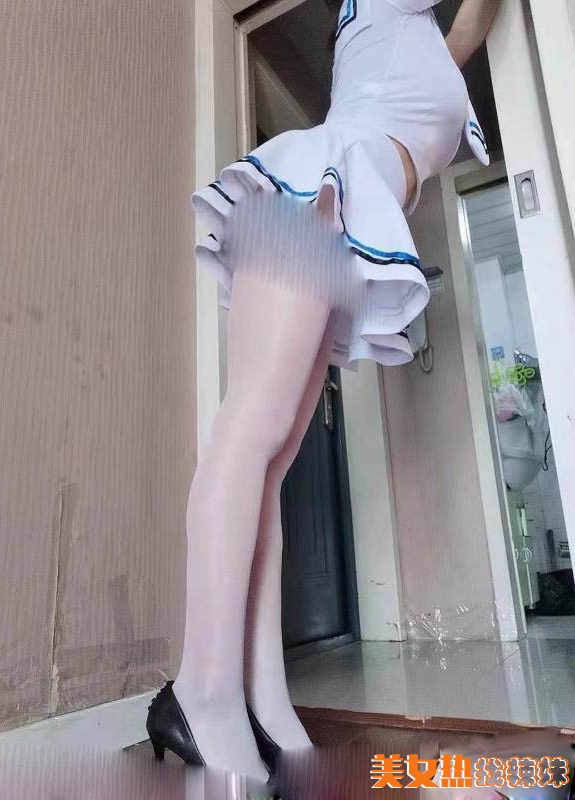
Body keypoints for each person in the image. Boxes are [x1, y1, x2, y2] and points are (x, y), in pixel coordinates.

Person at [146, 0, 500, 783]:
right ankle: (201, 689)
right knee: (252, 430)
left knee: (274, 459)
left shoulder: (422, 43)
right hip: (316, 187)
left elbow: (469, 29)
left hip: (344, 208)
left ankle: (264, 697)